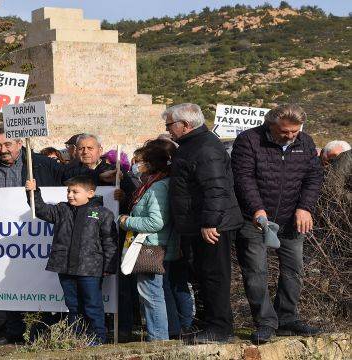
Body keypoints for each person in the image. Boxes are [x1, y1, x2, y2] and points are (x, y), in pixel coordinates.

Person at [0, 128, 92, 345]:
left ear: (20, 143)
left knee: (39, 281)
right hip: (5, 239)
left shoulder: (40, 163)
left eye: (7, 144)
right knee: (10, 282)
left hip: (38, 235)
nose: (2, 150)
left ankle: (40, 333)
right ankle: (13, 332)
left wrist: (100, 176)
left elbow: (71, 178)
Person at [231, 104, 324, 344]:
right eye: (285, 132)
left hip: (292, 219)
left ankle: (287, 319)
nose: (291, 136)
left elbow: (313, 177)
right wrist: (256, 208)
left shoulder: (305, 141)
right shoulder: (249, 140)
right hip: (254, 220)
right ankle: (265, 322)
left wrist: (305, 208)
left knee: (294, 269)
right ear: (270, 125)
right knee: (256, 272)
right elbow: (243, 178)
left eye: (295, 131)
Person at [165, 103, 243, 344]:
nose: (168, 130)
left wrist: (210, 222)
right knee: (202, 275)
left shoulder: (205, 148)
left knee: (214, 276)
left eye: (170, 125)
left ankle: (220, 328)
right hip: (197, 223)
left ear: (185, 125)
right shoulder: (191, 146)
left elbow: (216, 189)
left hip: (211, 225)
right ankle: (210, 324)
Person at [26, 175, 118, 345]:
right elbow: (40, 209)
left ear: (90, 193)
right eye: (68, 191)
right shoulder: (62, 209)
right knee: (73, 305)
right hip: (65, 267)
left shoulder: (103, 213)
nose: (70, 195)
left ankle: (97, 337)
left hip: (90, 269)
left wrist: (109, 266)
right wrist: (33, 192)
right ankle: (77, 336)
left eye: (75, 192)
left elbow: (110, 241)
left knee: (92, 305)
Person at [117, 139, 188, 342]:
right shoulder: (154, 184)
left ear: (150, 163)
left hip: (152, 246)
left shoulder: (158, 187)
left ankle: (158, 338)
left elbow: (155, 222)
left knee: (151, 294)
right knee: (157, 292)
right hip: (157, 245)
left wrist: (126, 221)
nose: (137, 164)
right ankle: (166, 333)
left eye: (142, 160)